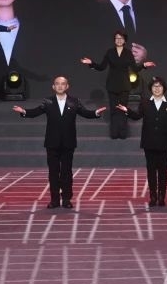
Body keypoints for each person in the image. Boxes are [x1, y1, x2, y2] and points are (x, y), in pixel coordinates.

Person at [13, 76, 106, 209]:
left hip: (68, 142)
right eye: (57, 84)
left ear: (67, 86)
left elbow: (85, 113)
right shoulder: (48, 101)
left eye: (63, 84)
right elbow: (35, 112)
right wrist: (24, 111)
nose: (60, 86)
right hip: (52, 142)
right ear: (53, 87)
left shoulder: (74, 101)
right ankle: (54, 200)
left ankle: (66, 199)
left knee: (66, 172)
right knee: (53, 172)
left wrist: (96, 113)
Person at [119, 76, 167, 207]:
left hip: (164, 142)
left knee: (162, 171)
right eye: (154, 86)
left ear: (164, 88)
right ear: (151, 88)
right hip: (149, 142)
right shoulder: (145, 103)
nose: (157, 89)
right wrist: (127, 111)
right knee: (151, 171)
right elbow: (137, 116)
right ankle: (153, 196)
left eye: (159, 86)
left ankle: (162, 196)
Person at [81, 31, 156, 139]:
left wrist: (144, 65)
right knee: (114, 110)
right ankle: (114, 133)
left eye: (121, 38)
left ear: (125, 40)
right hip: (112, 85)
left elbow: (135, 69)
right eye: (117, 38)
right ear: (114, 40)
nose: (119, 40)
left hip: (124, 85)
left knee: (123, 109)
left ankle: (123, 132)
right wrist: (91, 63)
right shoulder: (110, 52)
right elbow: (102, 67)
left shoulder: (128, 53)